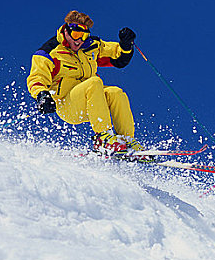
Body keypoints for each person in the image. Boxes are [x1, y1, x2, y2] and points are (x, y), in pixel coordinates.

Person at [27, 10, 143, 155]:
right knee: (94, 82)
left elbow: (118, 57)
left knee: (116, 93)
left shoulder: (91, 46)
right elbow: (36, 78)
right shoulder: (49, 52)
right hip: (67, 104)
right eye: (76, 34)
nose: (79, 40)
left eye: (84, 35)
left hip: (94, 103)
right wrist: (42, 96)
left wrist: (126, 45)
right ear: (66, 30)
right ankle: (103, 138)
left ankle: (126, 141)